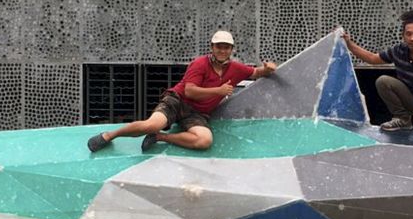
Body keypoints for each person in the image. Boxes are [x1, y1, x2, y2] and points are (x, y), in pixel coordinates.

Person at [87, 30, 277, 154]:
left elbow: (255, 73)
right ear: (212, 47)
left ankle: (161, 137)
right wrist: (218, 90)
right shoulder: (199, 64)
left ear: (231, 50)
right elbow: (190, 91)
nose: (222, 50)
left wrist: (268, 68)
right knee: (151, 124)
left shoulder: (236, 68)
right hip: (178, 101)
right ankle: (110, 135)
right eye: (219, 46)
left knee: (204, 141)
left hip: (197, 114)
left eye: (226, 47)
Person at [342, 8, 413, 142]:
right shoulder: (398, 51)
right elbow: (372, 58)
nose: (412, 38)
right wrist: (349, 44)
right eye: (408, 34)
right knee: (383, 81)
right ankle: (403, 119)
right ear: (403, 35)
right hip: (408, 97)